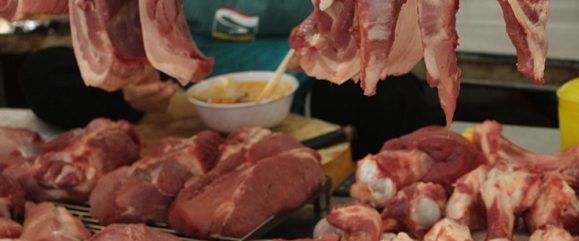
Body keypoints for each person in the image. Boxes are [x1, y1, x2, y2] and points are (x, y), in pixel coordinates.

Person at [20, 0, 440, 157]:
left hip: (302, 87)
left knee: (400, 98)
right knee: (43, 72)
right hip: (179, 88)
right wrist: (134, 79)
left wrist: (336, 52)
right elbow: (117, 20)